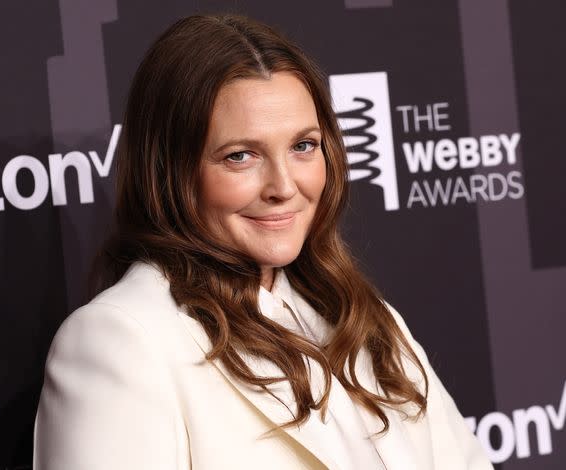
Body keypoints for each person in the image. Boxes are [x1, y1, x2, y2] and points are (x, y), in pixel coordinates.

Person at [32, 13, 494, 470]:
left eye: (303, 146)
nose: (283, 186)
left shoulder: (364, 316)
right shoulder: (121, 341)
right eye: (240, 156)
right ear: (169, 173)